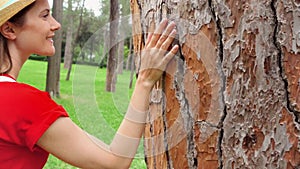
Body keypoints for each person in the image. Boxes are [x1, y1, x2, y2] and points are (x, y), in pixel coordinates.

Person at [0, 0, 179, 168]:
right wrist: (145, 81)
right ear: (9, 29)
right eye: (45, 16)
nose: (56, 24)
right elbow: (114, 161)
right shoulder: (21, 102)